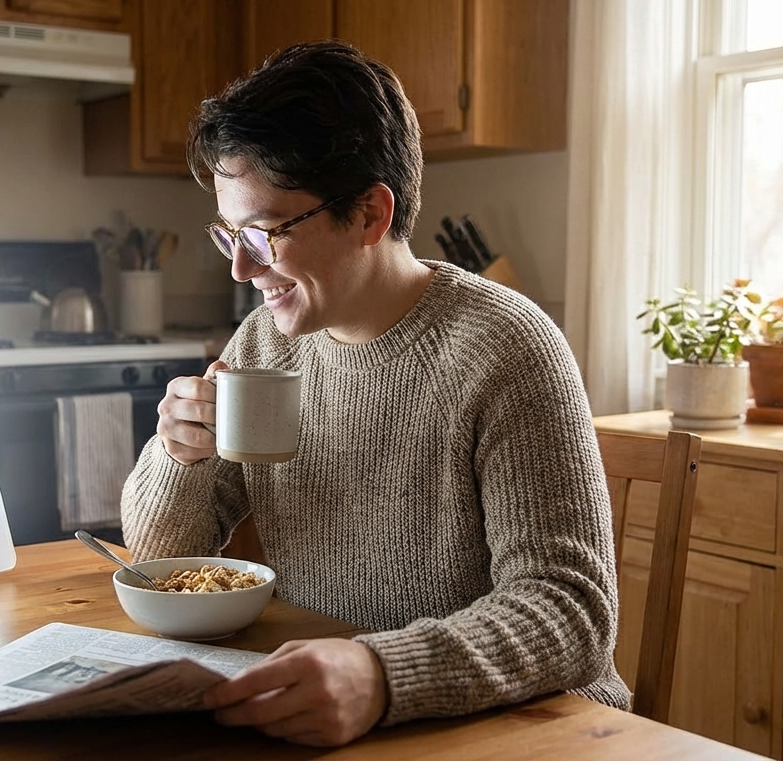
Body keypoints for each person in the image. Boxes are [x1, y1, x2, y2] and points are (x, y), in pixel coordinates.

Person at [119, 41, 627, 747]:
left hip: (525, 729)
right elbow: (158, 559)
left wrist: (382, 674)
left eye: (263, 235)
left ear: (369, 214)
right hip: (341, 716)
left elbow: (571, 614)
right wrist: (178, 455)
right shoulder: (266, 341)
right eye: (228, 236)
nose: (240, 268)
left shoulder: (505, 346)